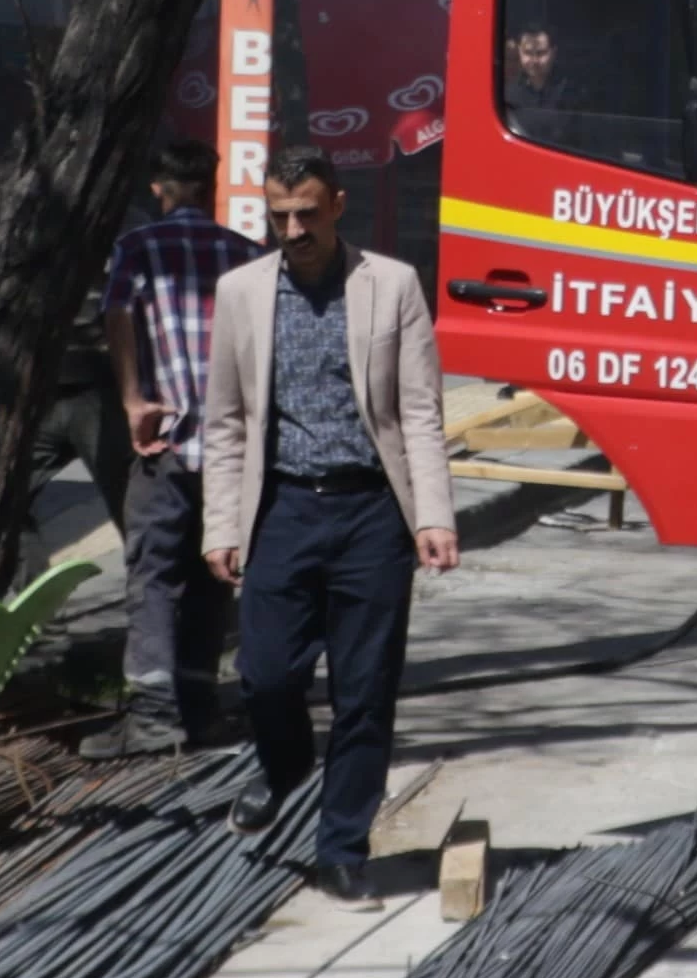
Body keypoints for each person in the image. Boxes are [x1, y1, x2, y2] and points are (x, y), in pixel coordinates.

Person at [201, 146, 457, 896]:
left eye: (307, 213)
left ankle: (342, 845)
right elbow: (225, 422)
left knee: (365, 688)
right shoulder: (242, 292)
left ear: (338, 206)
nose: (293, 229)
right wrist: (221, 525)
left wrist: (433, 517)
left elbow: (419, 410)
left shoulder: (393, 285)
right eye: (279, 214)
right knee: (264, 675)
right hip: (281, 509)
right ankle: (284, 766)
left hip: (372, 512)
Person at [102, 137, 260, 741]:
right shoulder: (248, 254)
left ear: (157, 190)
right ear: (213, 187)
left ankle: (154, 717)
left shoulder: (137, 247)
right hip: (231, 449)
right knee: (212, 573)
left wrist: (132, 400)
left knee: (154, 575)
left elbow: (118, 314)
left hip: (166, 440)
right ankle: (199, 704)